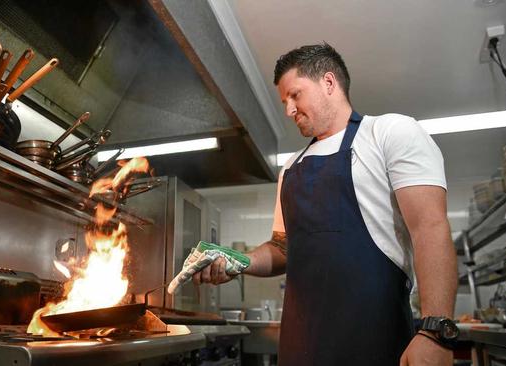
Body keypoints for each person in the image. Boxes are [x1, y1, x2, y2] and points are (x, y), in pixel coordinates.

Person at [192, 43, 458, 366]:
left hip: (375, 344)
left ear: (328, 83)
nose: (288, 110)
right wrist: (238, 261)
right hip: (299, 347)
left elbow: (429, 227)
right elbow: (282, 248)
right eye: (284, 102)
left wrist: (435, 331)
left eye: (295, 95)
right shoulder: (289, 169)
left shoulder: (389, 133)